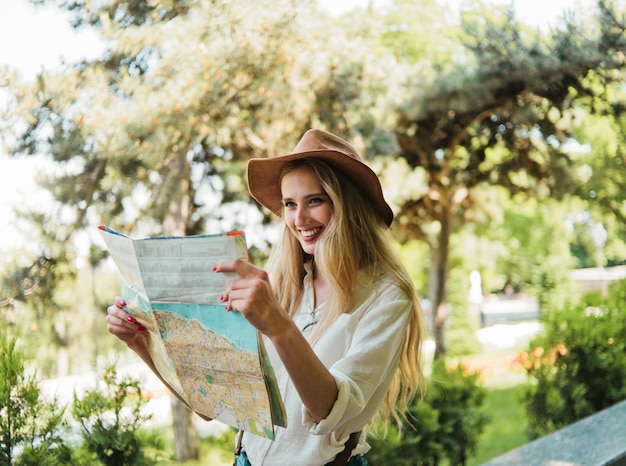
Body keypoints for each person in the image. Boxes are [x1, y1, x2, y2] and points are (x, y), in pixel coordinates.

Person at [106, 129, 426, 466]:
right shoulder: (281, 285)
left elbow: (332, 410)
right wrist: (142, 345)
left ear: (347, 205)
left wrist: (279, 327)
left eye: (314, 200)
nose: (299, 219)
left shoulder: (386, 296)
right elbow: (214, 405)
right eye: (289, 204)